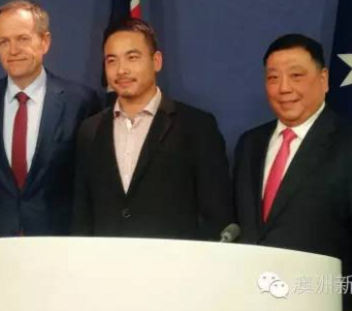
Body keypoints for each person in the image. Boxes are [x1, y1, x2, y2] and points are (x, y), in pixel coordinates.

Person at [233, 33, 352, 310]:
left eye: (296, 75)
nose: (283, 88)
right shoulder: (249, 144)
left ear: (323, 80)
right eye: (273, 78)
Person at [72, 18, 234, 239]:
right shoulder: (89, 130)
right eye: (112, 60)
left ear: (156, 61)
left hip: (174, 267)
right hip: (106, 266)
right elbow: (82, 215)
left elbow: (216, 213)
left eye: (132, 57)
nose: (121, 70)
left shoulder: (196, 126)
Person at [0, 0, 100, 237]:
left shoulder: (81, 102)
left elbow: (89, 185)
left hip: (57, 244)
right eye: (3, 41)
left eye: (22, 39)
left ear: (45, 41)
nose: (13, 50)